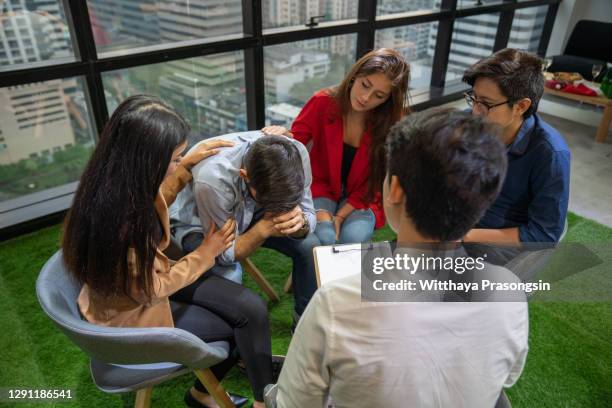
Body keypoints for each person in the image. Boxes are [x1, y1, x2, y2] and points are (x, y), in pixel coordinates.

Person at [266, 108, 529, 407]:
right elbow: (505, 378)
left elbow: (295, 404)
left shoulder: (337, 303)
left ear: (395, 189)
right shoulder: (510, 291)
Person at [62, 96, 271, 408]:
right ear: (147, 159)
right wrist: (206, 252)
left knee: (250, 307)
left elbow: (159, 197)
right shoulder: (122, 222)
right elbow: (152, 289)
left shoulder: (111, 182)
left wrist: (185, 166)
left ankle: (220, 395)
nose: (180, 161)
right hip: (135, 314)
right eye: (174, 157)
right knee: (239, 327)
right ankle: (248, 399)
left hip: (140, 285)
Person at [262, 48, 410, 246]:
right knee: (326, 237)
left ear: (388, 99)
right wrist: (282, 133)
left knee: (352, 239)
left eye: (379, 95)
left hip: (364, 196)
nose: (366, 98)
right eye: (365, 85)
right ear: (355, 76)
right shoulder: (322, 102)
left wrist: (341, 215)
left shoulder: (393, 122)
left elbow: (380, 179)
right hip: (320, 186)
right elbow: (296, 141)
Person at [170, 132, 319, 326]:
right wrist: (262, 230)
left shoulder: (296, 154)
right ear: (244, 176)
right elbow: (224, 254)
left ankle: (303, 324)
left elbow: (308, 211)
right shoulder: (212, 179)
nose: (279, 210)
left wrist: (301, 223)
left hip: (254, 205)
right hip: (198, 221)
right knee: (230, 274)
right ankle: (231, 342)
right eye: (274, 204)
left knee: (310, 246)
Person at [461, 48, 571, 252]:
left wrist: (463, 236)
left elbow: (544, 234)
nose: (475, 111)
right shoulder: (466, 122)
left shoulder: (550, 153)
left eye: (486, 104)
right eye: (474, 98)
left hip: (499, 246)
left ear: (521, 106)